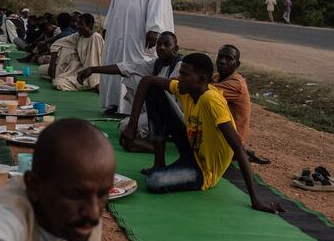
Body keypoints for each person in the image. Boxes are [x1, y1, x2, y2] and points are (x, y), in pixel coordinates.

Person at [120, 53, 282, 213]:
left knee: (154, 182)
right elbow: (147, 80)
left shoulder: (211, 101)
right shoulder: (187, 90)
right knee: (154, 90)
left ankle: (164, 171)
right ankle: (159, 164)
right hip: (191, 149)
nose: (179, 78)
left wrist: (255, 199)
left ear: (202, 80)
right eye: (180, 73)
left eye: (184, 75)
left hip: (204, 171)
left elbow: (238, 147)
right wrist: (132, 126)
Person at [101, 0, 175, 115]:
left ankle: (132, 107)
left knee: (136, 66)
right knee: (116, 62)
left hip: (140, 34)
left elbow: (159, 4)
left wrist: (154, 29)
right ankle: (114, 103)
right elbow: (114, 3)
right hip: (118, 32)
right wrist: (107, 26)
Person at [77, 31, 183, 152]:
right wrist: (92, 69)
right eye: (159, 45)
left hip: (176, 115)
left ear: (176, 49)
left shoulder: (181, 67)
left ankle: (158, 139)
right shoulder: (156, 64)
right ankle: (155, 130)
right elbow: (124, 67)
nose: (161, 48)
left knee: (129, 126)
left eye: (166, 45)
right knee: (131, 78)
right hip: (158, 113)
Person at [212, 45, 269, 165]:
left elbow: (199, 89)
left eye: (229, 58)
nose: (222, 61)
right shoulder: (217, 77)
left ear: (237, 64)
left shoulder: (236, 84)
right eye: (220, 57)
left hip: (229, 142)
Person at [41, 13, 105, 91]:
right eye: (78, 24)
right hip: (77, 69)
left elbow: (94, 62)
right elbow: (57, 44)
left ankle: (92, 86)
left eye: (81, 24)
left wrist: (95, 83)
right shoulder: (78, 36)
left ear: (90, 25)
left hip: (89, 75)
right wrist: (52, 64)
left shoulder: (96, 37)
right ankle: (65, 76)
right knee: (42, 69)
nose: (78, 26)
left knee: (57, 83)